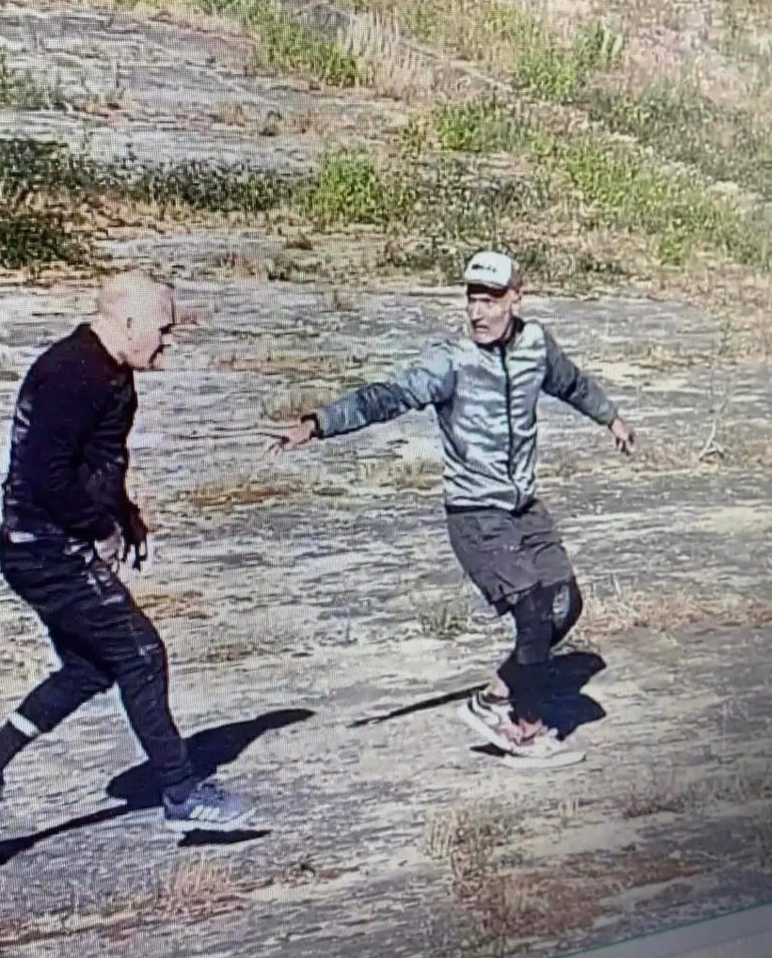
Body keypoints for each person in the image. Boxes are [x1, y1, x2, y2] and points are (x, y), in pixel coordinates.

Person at [266, 251, 635, 768]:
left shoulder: (535, 345)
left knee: (563, 606)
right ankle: (526, 733)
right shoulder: (451, 360)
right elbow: (387, 397)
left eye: (490, 300)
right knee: (531, 612)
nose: (478, 312)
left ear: (515, 299)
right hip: (475, 512)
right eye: (472, 299)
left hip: (524, 505)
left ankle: (493, 698)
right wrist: (317, 423)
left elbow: (571, 383)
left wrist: (611, 420)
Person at [0, 270, 253, 846]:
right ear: (127, 320)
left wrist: (125, 516)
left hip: (53, 546)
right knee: (140, 654)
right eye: (162, 329)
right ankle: (182, 793)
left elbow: (100, 461)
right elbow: (45, 476)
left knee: (90, 667)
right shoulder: (70, 374)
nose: (166, 342)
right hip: (42, 551)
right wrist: (99, 529)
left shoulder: (114, 375)